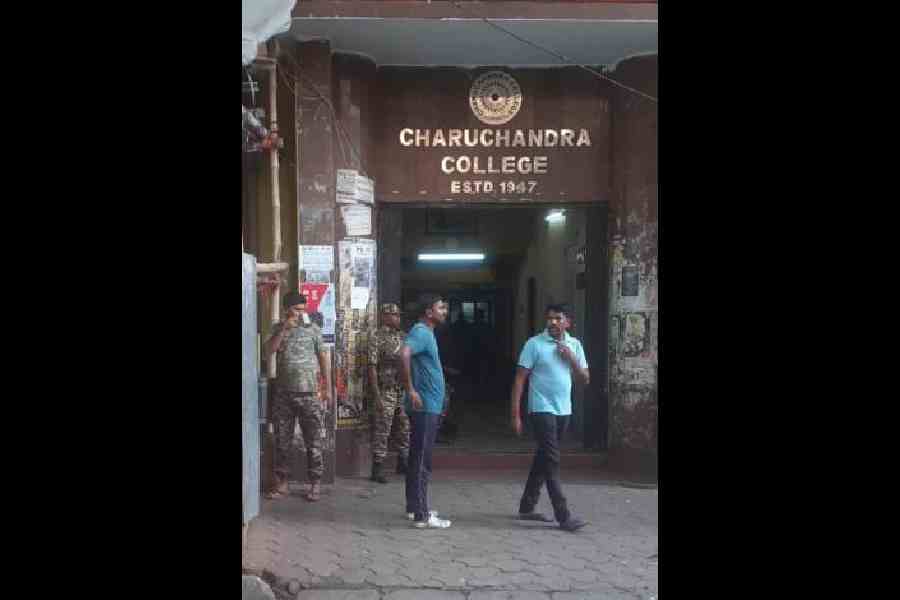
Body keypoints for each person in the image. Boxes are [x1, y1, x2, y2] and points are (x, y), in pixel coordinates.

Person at [510, 304, 590, 532]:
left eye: (557, 318)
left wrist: (571, 357)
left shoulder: (575, 345)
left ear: (568, 322)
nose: (552, 322)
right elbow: (519, 380)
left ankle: (527, 505)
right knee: (552, 459)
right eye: (549, 319)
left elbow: (585, 379)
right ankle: (563, 515)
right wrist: (515, 414)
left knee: (544, 457)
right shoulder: (534, 344)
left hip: (564, 410)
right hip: (541, 409)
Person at [263, 291, 332, 502]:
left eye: (304, 309)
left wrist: (328, 388)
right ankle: (282, 483)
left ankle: (315, 483)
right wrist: (283, 329)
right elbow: (269, 351)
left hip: (310, 394)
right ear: (287, 310)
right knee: (282, 440)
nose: (302, 313)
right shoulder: (278, 328)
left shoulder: (313, 329)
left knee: (313, 441)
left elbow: (323, 357)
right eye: (297, 309)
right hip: (284, 394)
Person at [400, 293, 452, 528]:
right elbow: (403, 353)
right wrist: (410, 389)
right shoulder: (421, 332)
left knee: (417, 456)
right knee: (422, 459)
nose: (445, 311)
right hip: (425, 405)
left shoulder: (425, 333)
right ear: (429, 312)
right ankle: (422, 515)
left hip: (429, 404)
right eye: (441, 308)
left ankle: (414, 507)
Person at [367, 303, 410, 483]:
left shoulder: (403, 336)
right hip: (386, 390)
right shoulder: (376, 337)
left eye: (398, 315)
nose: (397, 318)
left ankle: (403, 461)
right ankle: (377, 467)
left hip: (403, 389)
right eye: (394, 315)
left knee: (405, 426)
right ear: (384, 316)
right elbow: (372, 367)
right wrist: (376, 394)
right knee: (383, 428)